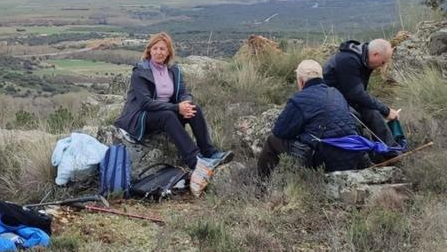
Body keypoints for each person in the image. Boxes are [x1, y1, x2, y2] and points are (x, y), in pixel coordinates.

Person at [114, 32, 233, 186]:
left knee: (194, 109)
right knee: (168, 115)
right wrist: (177, 108)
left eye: (162, 49)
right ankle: (195, 161)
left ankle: (208, 152)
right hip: (141, 117)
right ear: (149, 51)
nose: (158, 52)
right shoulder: (140, 72)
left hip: (167, 111)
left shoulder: (173, 70)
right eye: (155, 48)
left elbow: (183, 92)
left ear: (168, 51)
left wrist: (186, 103)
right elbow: (145, 103)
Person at [257, 60, 370, 178]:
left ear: (300, 81)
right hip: (351, 157)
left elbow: (280, 131)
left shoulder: (300, 99)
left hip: (322, 160)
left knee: (272, 141)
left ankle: (261, 185)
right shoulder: (336, 93)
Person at [323, 38, 399, 147]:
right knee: (354, 119)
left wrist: (383, 110)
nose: (382, 66)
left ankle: (391, 150)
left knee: (373, 113)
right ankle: (365, 154)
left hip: (345, 99)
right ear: (375, 54)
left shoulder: (364, 61)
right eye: (382, 62)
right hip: (330, 103)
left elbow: (358, 95)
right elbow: (357, 94)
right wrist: (386, 111)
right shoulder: (348, 60)